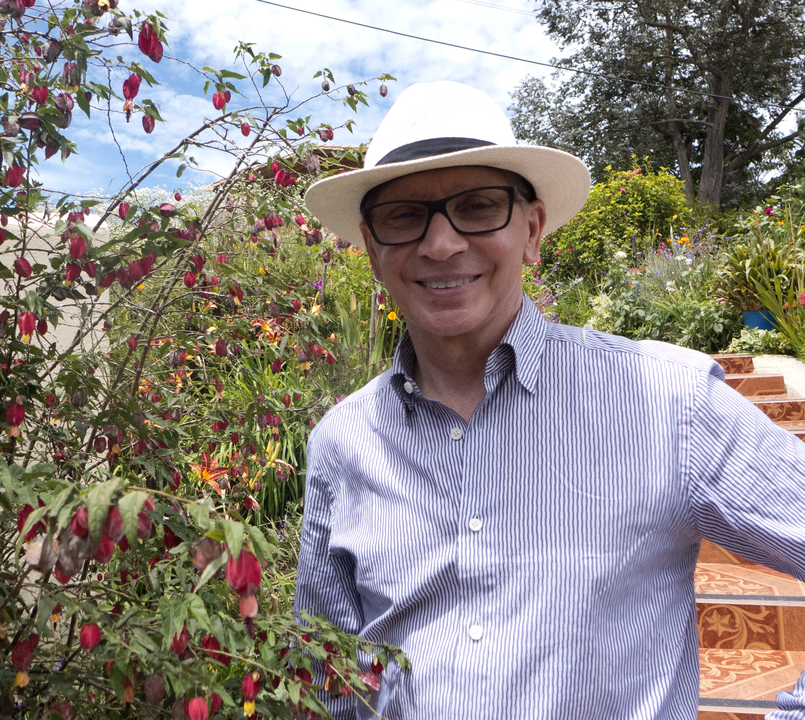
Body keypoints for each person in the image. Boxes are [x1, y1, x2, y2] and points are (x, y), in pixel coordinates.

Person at [294, 80, 805, 719]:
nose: (441, 243)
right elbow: (331, 682)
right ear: (372, 250)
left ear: (532, 230)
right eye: (403, 216)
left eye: (479, 206)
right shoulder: (343, 444)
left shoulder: (668, 404)